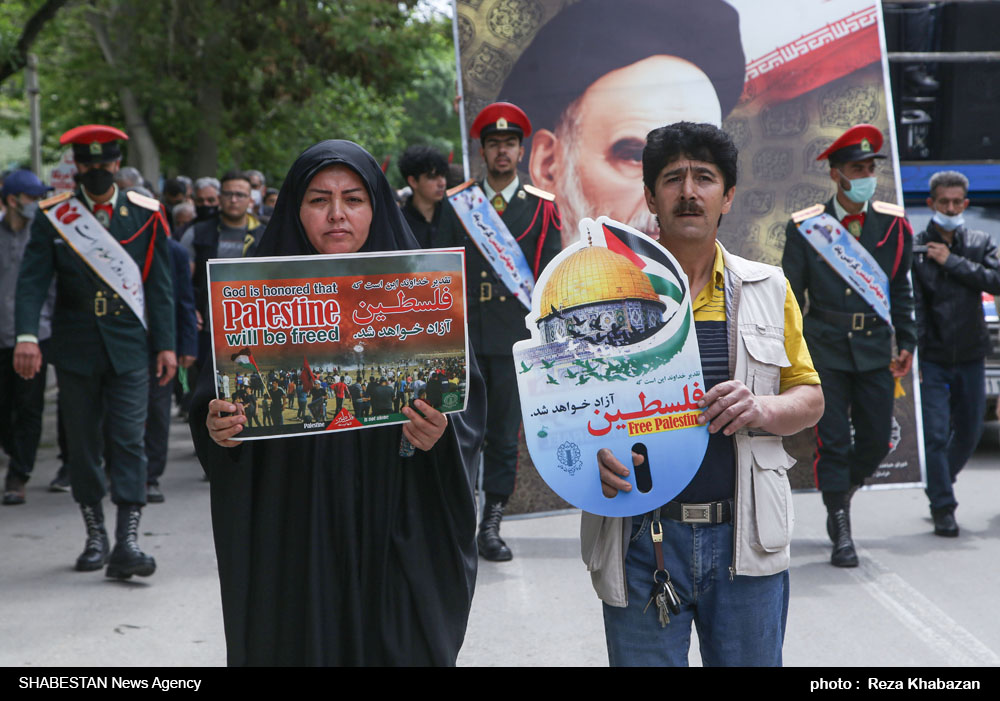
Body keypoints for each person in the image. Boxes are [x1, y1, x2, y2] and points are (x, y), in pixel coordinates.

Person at [190, 139, 486, 666]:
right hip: (294, 522)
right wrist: (217, 426)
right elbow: (211, 399)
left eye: (353, 199)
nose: (336, 215)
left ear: (376, 206)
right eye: (318, 200)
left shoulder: (423, 292)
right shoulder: (249, 297)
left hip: (394, 512)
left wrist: (439, 434)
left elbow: (465, 403)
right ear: (292, 209)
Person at [586, 122, 823, 667]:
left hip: (744, 537)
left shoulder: (768, 289)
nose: (688, 191)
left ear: (728, 196)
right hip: (643, 539)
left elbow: (809, 398)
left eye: (705, 178)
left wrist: (761, 408)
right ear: (650, 197)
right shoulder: (604, 293)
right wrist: (588, 461)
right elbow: (570, 417)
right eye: (672, 179)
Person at [14, 124, 176, 578]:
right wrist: (27, 335)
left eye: (104, 164)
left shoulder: (145, 213)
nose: (97, 171)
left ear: (118, 165)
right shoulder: (54, 216)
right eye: (88, 164)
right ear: (76, 167)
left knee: (128, 440)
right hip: (76, 349)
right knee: (83, 446)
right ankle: (95, 535)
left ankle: (126, 542)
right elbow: (31, 284)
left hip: (129, 348)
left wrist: (165, 345)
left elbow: (159, 287)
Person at [499, 0, 745, 245]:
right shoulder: (520, 280)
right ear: (549, 165)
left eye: (703, 163)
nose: (683, 194)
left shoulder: (754, 283)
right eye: (636, 157)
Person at [781, 124, 917, 568]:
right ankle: (839, 522)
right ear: (837, 175)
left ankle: (842, 490)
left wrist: (907, 339)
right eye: (857, 168)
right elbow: (791, 298)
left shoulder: (894, 226)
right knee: (834, 441)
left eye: (869, 168)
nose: (866, 175)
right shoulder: (807, 228)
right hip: (825, 348)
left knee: (877, 441)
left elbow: (901, 288)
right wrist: (794, 355)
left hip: (876, 347)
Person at [432, 102, 562, 562]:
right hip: (463, 336)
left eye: (509, 144)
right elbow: (437, 273)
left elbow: (549, 281)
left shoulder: (542, 209)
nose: (501, 151)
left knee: (505, 434)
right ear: (482, 151)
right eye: (493, 144)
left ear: (521, 149)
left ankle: (492, 522)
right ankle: (459, 517)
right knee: (457, 429)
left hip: (514, 340)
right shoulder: (457, 204)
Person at [911, 170, 1000, 536]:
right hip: (932, 357)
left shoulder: (979, 241)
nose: (950, 207)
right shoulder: (916, 247)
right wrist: (912, 355)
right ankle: (943, 507)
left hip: (972, 355)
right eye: (943, 202)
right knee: (933, 433)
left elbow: (995, 280)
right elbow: (911, 304)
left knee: (969, 431)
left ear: (965, 202)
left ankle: (938, 483)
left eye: (956, 201)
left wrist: (952, 261)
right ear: (931, 203)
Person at [1, 170, 54, 505]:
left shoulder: (43, 235)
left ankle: (18, 474)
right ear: (12, 200)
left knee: (30, 406)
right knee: (5, 408)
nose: (38, 204)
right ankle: (12, 449)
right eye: (33, 198)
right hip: (1, 337)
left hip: (37, 336)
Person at [144, 236, 198, 503]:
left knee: (157, 411)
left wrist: (187, 345)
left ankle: (150, 476)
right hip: (123, 343)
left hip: (161, 345)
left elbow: (184, 299)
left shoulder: (173, 251)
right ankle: (119, 470)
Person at [398, 145, 448, 247]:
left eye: (443, 175)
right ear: (413, 181)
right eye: (432, 177)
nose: (442, 183)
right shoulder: (398, 223)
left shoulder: (454, 216)